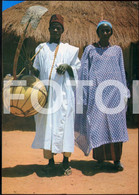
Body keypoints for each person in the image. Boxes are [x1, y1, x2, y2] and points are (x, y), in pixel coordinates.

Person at [75, 20, 130, 171]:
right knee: (98, 125)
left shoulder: (117, 50)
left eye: (108, 31)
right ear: (98, 33)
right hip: (96, 94)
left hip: (115, 95)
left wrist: (125, 91)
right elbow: (84, 71)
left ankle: (117, 160)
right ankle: (99, 159)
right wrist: (84, 93)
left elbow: (121, 70)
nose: (105, 33)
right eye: (102, 31)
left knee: (116, 125)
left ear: (111, 33)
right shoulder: (90, 50)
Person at [30, 14, 81, 175]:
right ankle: (50, 161)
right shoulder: (41, 49)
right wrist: (29, 68)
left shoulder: (70, 50)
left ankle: (66, 162)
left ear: (62, 31)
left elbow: (77, 72)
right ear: (49, 29)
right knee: (47, 127)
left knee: (65, 126)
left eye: (59, 28)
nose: (56, 30)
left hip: (64, 96)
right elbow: (36, 71)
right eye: (53, 27)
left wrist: (68, 66)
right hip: (45, 96)